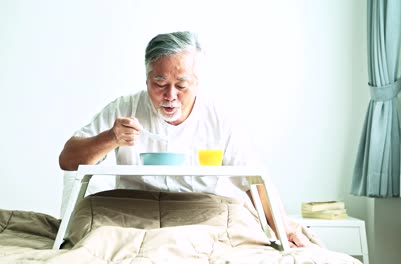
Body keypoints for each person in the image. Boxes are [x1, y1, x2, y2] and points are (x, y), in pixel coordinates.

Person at [59, 31, 314, 248]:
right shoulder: (125, 108)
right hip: (133, 213)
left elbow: (256, 180)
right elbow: (68, 160)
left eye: (181, 85)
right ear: (146, 79)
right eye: (160, 83)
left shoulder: (218, 117)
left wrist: (284, 229)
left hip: (202, 217)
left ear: (197, 82)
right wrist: (110, 137)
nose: (170, 95)